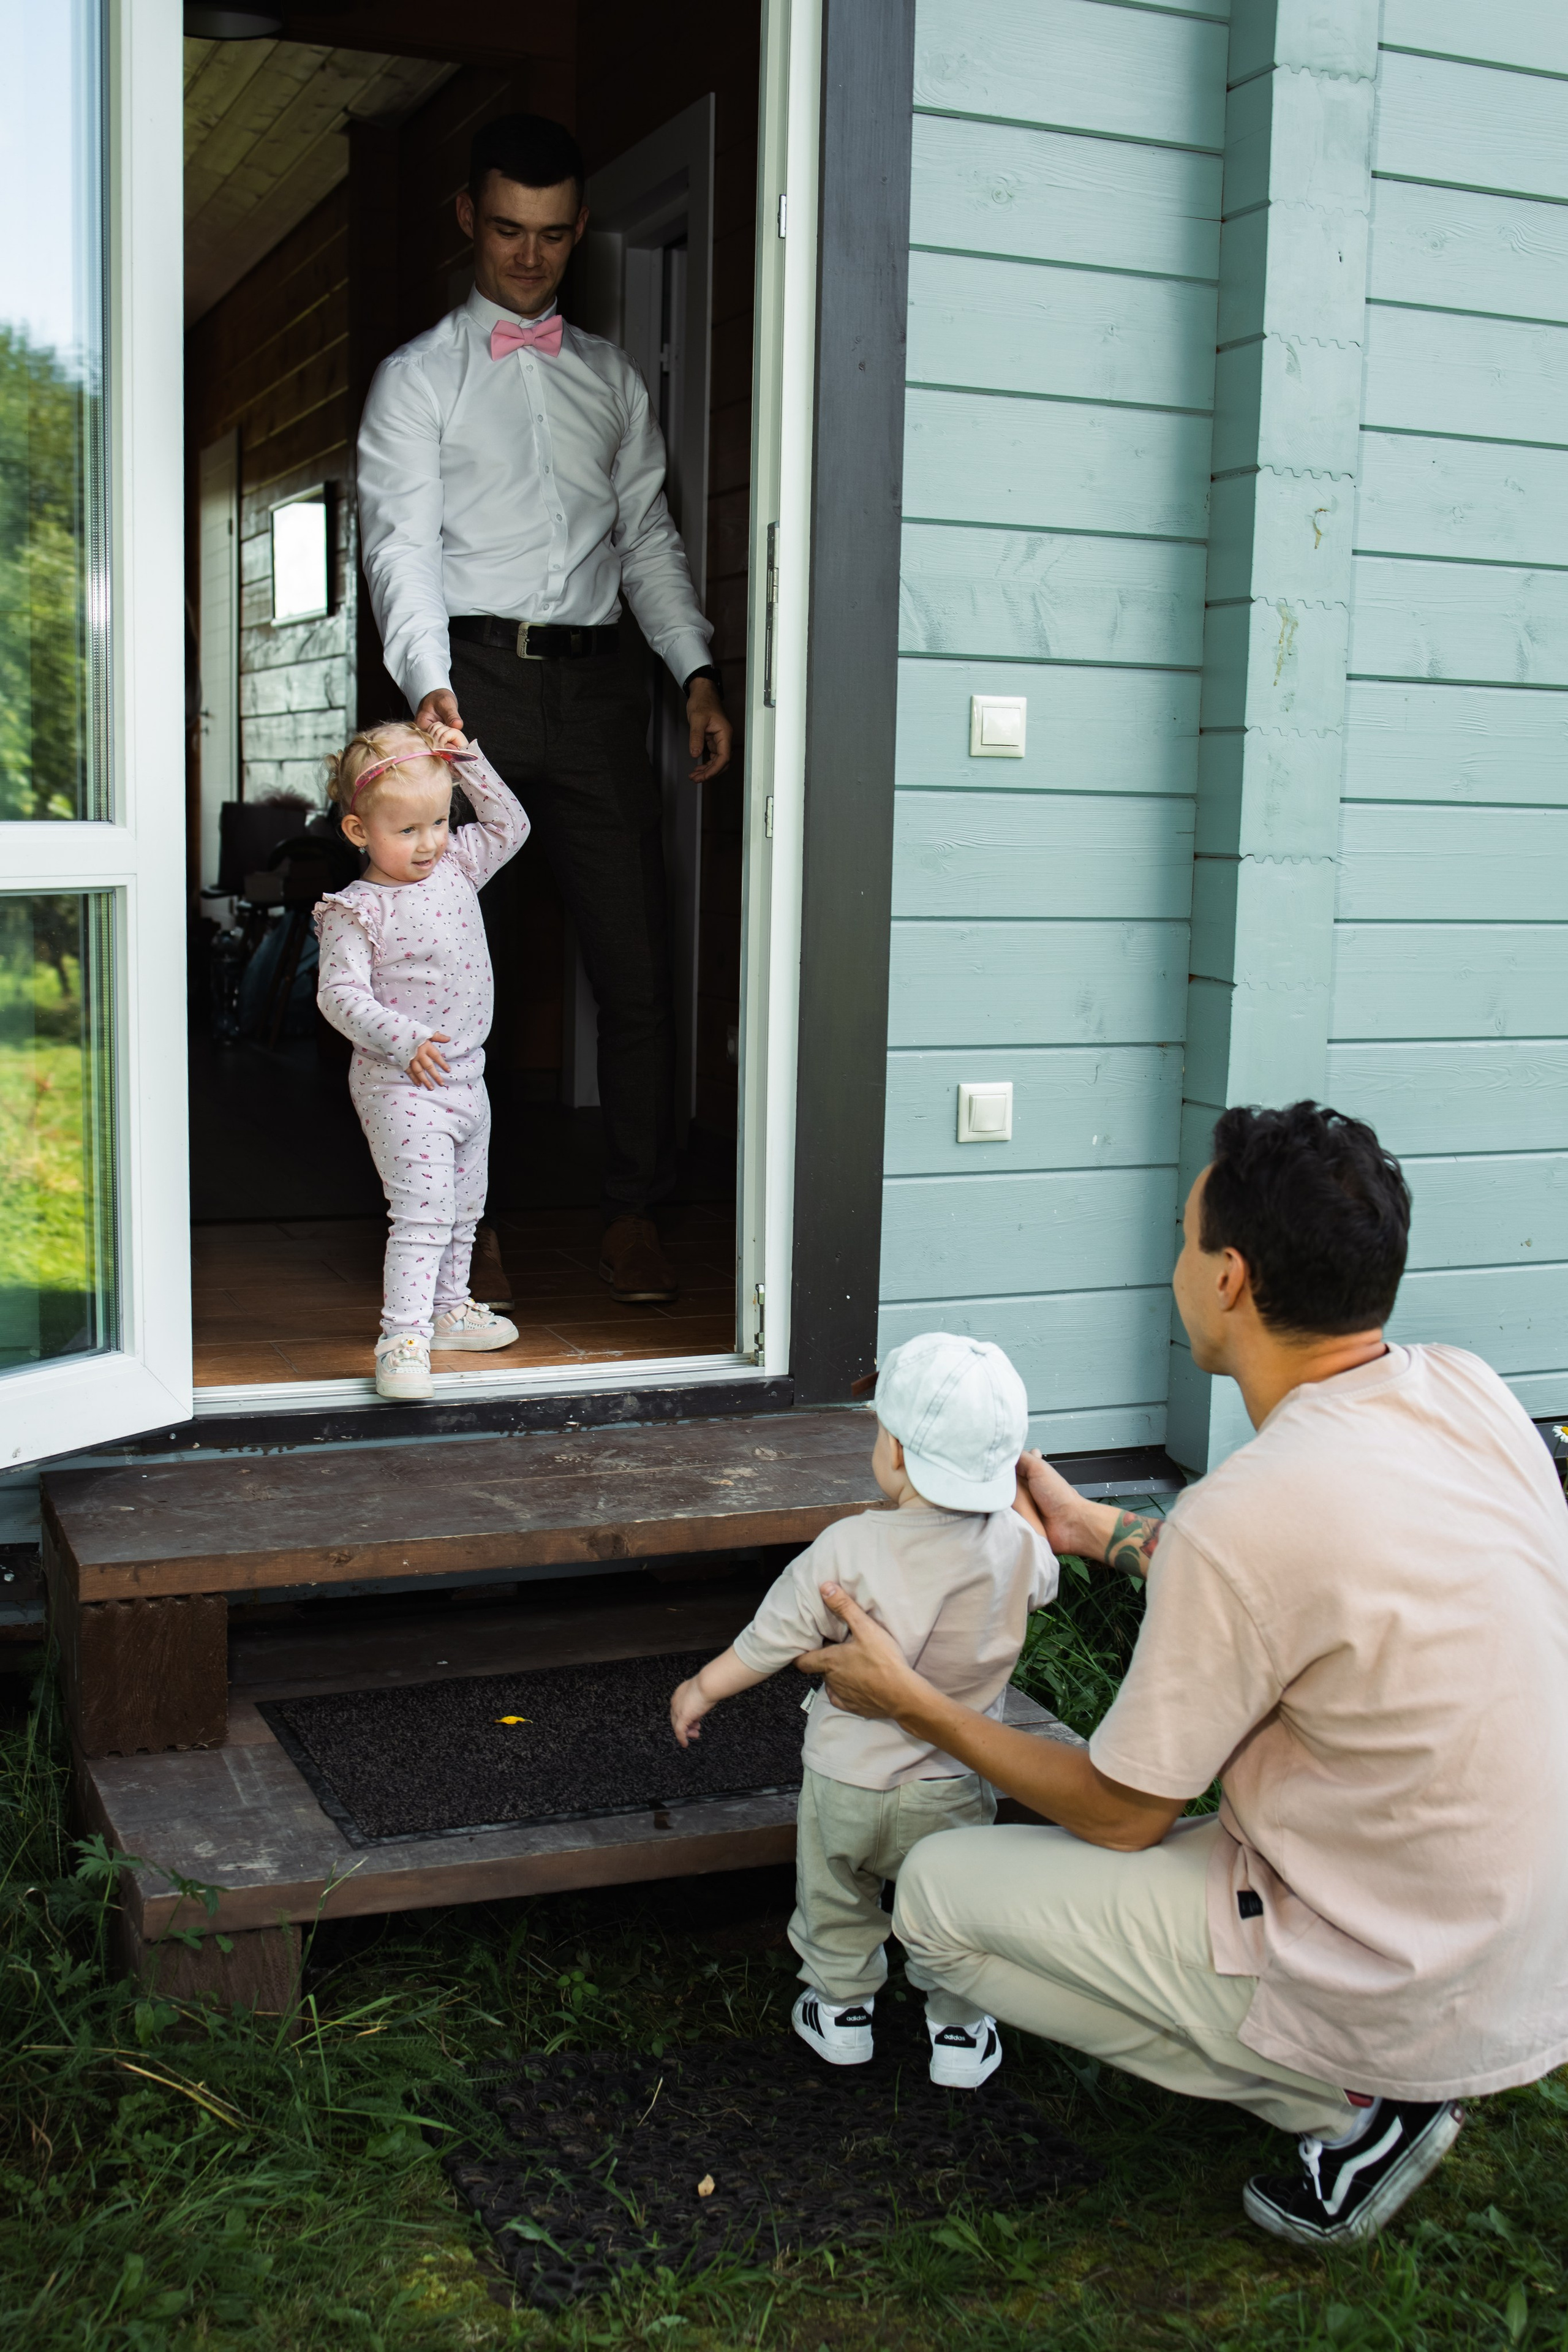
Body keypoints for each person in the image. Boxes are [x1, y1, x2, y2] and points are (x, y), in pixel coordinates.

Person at [791, 1104, 1568, 2246]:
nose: (1175, 1262)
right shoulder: (1466, 1390)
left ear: (1230, 1281)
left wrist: (911, 1703)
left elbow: (1120, 1813)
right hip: (1511, 1916)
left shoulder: (1248, 1515)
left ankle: (1350, 2101)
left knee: (940, 1898)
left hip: (1385, 1952)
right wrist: (1103, 1530)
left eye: (1184, 1237)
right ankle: (1369, 2063)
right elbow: (1320, 1582)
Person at [356, 112, 731, 1308]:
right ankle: (461, 1223)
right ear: (470, 217)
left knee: (632, 961)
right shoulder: (416, 382)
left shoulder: (614, 381)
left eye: (554, 235)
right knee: (449, 975)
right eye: (508, 229)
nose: (528, 255)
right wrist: (427, 684)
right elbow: (397, 548)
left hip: (600, 684)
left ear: (577, 233)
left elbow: (650, 542)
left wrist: (692, 672)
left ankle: (634, 1213)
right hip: (472, 686)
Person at [669, 1332, 1058, 2087]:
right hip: (953, 1776)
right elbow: (1042, 1568)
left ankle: (842, 2010)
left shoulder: (847, 1545)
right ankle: (959, 2027)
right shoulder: (1015, 1545)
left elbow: (771, 1638)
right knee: (952, 1908)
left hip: (845, 1780)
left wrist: (702, 1690)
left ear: (899, 1455)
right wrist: (1013, 1492)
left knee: (836, 1894)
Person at [315, 720, 529, 1402]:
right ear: (359, 832)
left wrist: (467, 757)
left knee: (466, 1207)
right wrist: (403, 1039)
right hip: (398, 1082)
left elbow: (511, 824)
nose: (430, 842)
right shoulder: (358, 910)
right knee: (424, 1211)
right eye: (407, 830)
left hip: (470, 1075)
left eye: (439, 822)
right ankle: (402, 1336)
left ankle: (449, 1310)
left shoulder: (459, 864)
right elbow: (338, 995)